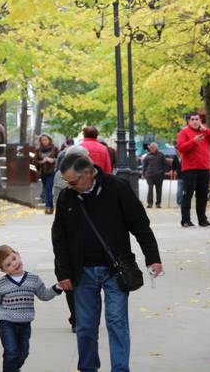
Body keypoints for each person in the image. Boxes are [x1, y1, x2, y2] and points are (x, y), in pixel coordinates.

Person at [52, 153, 163, 372]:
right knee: (85, 326)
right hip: (82, 272)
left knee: (117, 322)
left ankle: (120, 369)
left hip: (116, 270)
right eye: (67, 182)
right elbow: (59, 237)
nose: (70, 186)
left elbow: (140, 225)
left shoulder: (117, 188)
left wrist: (153, 258)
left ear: (88, 173)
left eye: (73, 182)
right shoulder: (67, 197)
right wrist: (62, 272)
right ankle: (88, 367)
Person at [0, 245, 63, 372]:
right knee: (11, 352)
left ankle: (14, 368)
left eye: (14, 259)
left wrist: (56, 288)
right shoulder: (2, 283)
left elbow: (44, 295)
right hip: (6, 322)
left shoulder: (33, 279)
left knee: (23, 352)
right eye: (8, 265)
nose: (14, 264)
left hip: (25, 324)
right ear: (3, 270)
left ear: (18, 254)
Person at [51, 144, 90, 333]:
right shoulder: (65, 177)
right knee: (69, 276)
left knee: (73, 277)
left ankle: (78, 317)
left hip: (76, 230)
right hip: (69, 230)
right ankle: (77, 317)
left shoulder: (89, 177)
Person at [176, 112, 210, 227]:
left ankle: (202, 220)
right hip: (189, 169)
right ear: (188, 121)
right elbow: (181, 148)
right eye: (193, 119)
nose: (195, 121)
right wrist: (193, 141)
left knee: (202, 195)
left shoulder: (205, 132)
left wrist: (206, 130)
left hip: (204, 168)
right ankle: (186, 220)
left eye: (197, 119)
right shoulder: (184, 132)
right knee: (188, 194)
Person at [35, 134, 59, 215]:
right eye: (42, 140)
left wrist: (52, 160)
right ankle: (50, 206)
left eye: (45, 139)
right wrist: (41, 162)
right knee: (46, 188)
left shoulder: (55, 149)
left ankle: (48, 207)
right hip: (43, 172)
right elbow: (35, 162)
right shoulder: (38, 150)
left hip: (52, 172)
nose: (44, 141)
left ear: (49, 140)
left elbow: (59, 159)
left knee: (49, 188)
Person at [142, 142, 167, 208]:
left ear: (156, 148)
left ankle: (158, 203)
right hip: (149, 175)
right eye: (151, 148)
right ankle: (150, 203)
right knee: (150, 189)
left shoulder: (161, 155)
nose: (152, 149)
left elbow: (165, 164)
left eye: (153, 148)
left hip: (159, 175)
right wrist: (143, 174)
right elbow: (144, 165)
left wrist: (163, 172)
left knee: (159, 190)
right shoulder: (148, 155)